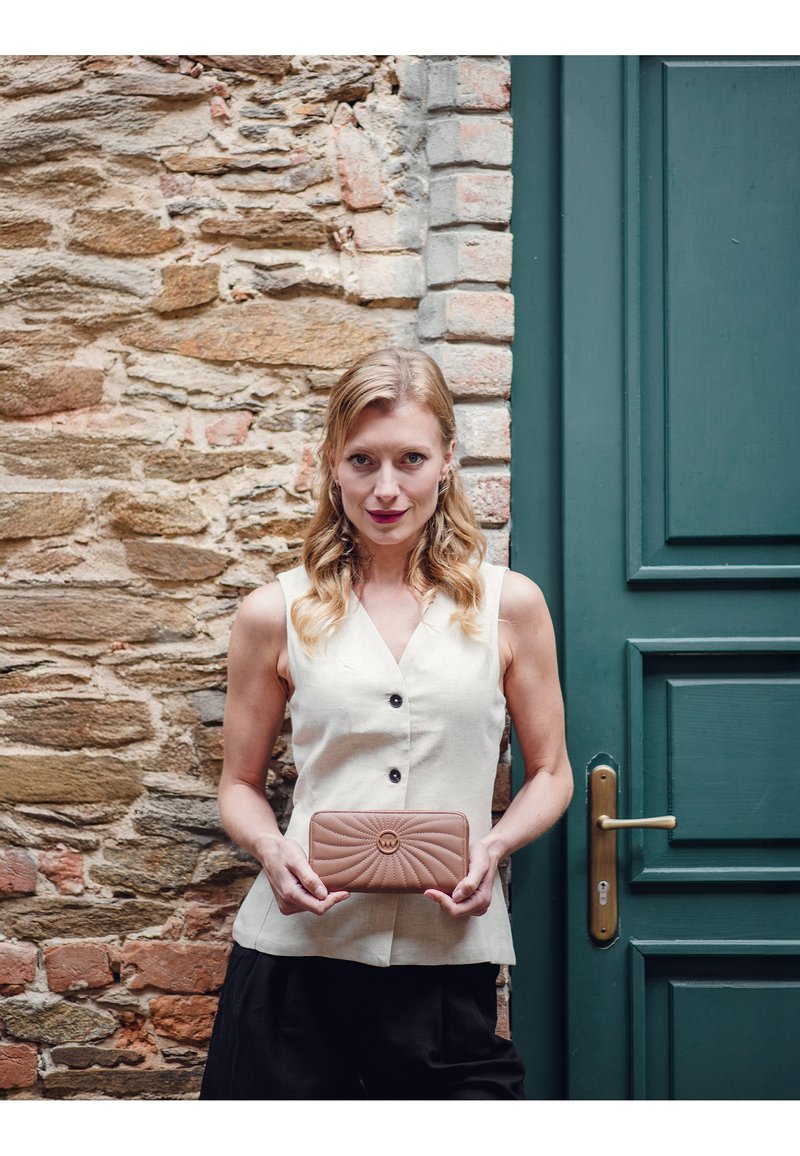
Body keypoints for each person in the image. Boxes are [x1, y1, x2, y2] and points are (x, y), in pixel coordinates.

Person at [199, 348, 573, 1100]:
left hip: (447, 959)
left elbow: (554, 773)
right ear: (332, 464)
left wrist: (494, 846)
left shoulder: (512, 606)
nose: (387, 488)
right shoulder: (274, 612)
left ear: (447, 463)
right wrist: (272, 850)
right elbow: (238, 784)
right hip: (295, 958)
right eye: (363, 461)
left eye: (411, 459)